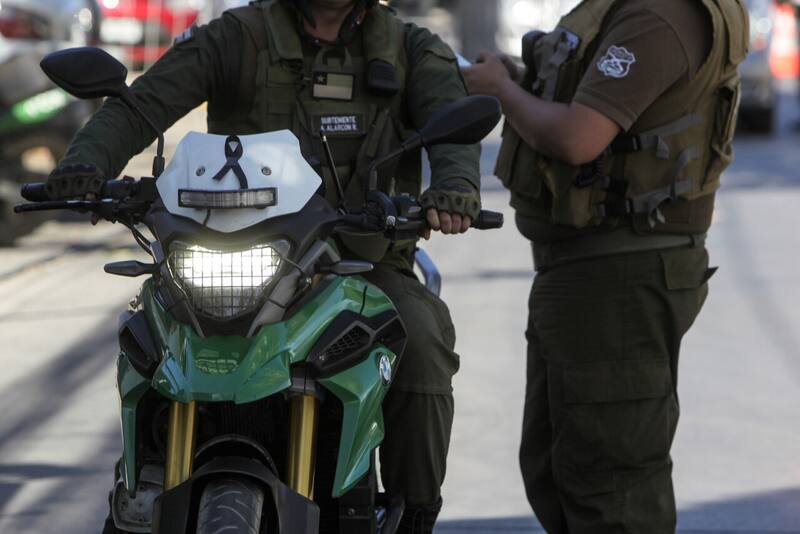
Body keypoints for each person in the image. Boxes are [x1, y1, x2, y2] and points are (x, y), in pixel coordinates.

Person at [46, 1, 482, 532]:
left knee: (421, 339)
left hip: (357, 263)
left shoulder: (411, 49)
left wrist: (455, 187)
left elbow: (453, 126)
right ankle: (140, 490)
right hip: (226, 260)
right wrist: (85, 164)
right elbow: (144, 104)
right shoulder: (237, 37)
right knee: (150, 333)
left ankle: (412, 516)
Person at [463, 0, 748, 532]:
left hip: (617, 274)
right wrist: (519, 80)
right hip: (593, 270)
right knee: (563, 470)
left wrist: (502, 93)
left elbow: (578, 137)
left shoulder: (659, 15)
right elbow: (604, 98)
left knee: (611, 488)